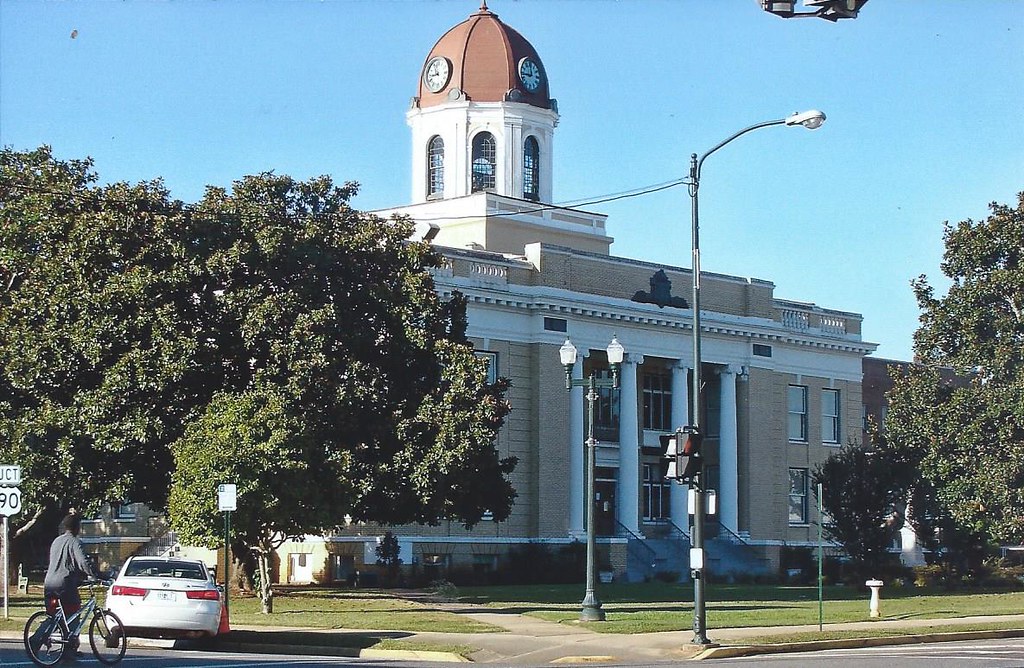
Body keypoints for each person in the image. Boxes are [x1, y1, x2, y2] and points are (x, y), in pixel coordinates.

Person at [43, 512, 99, 661]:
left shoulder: (56, 541)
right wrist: (97, 574)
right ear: (77, 528)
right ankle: (69, 648)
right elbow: (83, 562)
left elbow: (62, 562)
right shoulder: (75, 542)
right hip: (65, 585)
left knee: (54, 616)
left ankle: (39, 640)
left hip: (50, 583)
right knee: (74, 611)